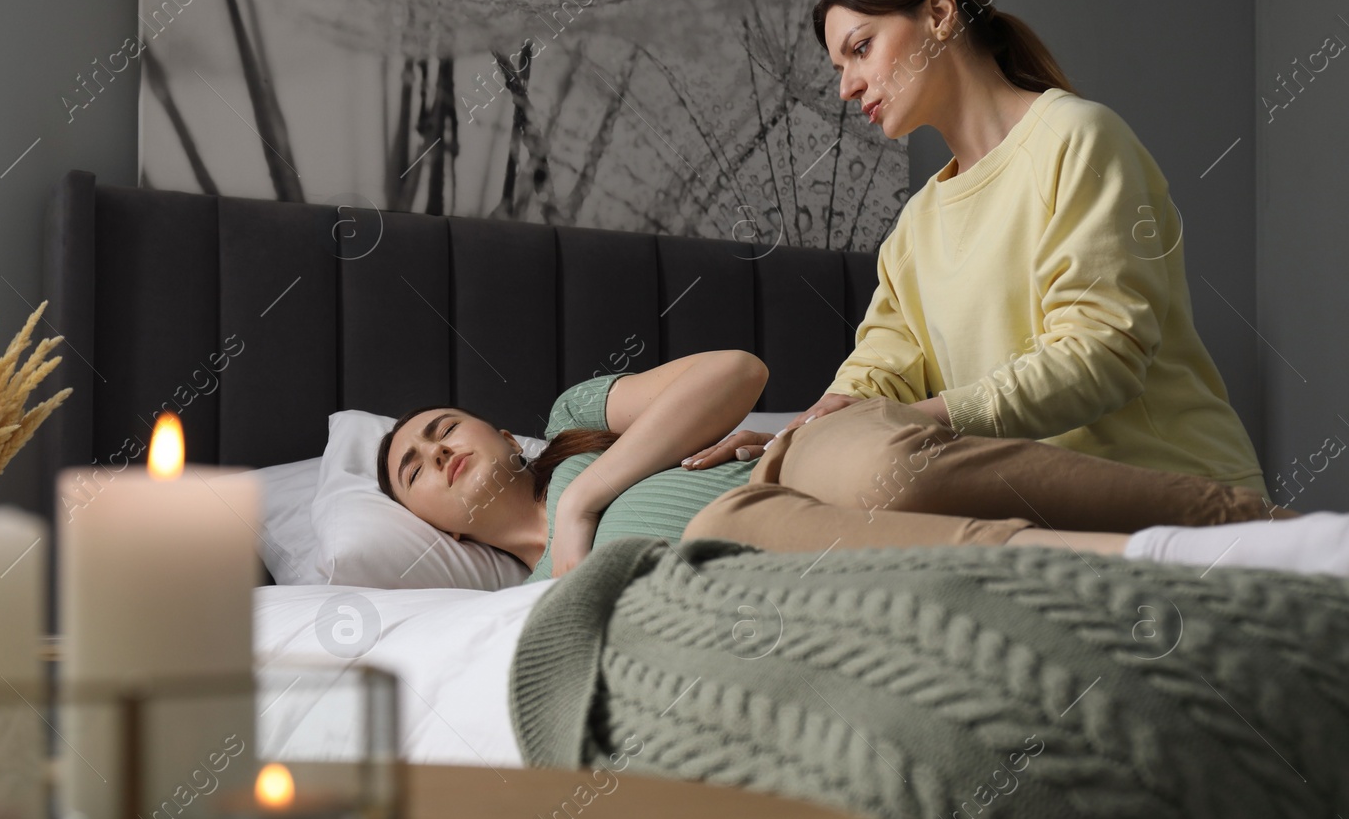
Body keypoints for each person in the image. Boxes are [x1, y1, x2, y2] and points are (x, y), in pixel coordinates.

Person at [689, 0, 1270, 504]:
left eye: (860, 48)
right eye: (840, 66)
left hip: (1181, 495)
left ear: (940, 14)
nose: (846, 87)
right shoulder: (915, 227)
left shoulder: (1078, 139)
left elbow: (1102, 356)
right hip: (1047, 509)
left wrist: (911, 424)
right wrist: (795, 442)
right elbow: (873, 379)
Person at [374, 351, 1335, 585]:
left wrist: (582, 495)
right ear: (435, 523)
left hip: (796, 450)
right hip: (754, 537)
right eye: (416, 466)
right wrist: (568, 551)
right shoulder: (534, 593)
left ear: (498, 430)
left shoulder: (574, 420)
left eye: (444, 425)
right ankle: (1164, 561)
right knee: (728, 528)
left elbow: (736, 374)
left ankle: (1272, 525)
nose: (437, 450)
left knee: (890, 468)